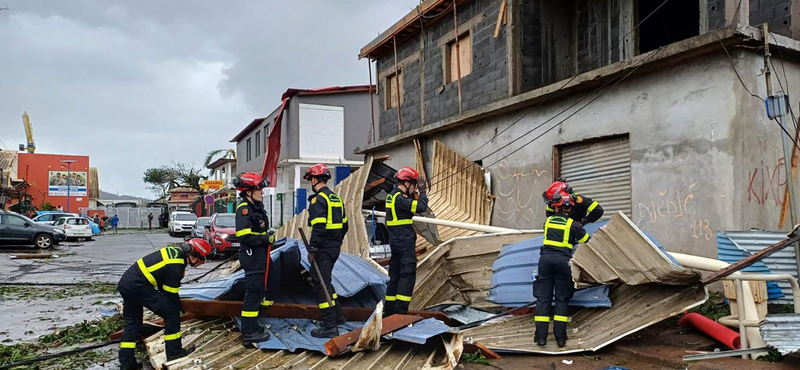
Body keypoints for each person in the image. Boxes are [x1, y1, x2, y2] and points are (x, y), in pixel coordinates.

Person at [117, 238, 210, 370]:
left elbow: (162, 285)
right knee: (172, 314)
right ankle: (174, 353)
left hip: (127, 284)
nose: (203, 262)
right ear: (193, 255)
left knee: (132, 324)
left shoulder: (174, 253)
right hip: (139, 286)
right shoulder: (177, 264)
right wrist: (179, 307)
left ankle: (127, 363)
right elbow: (170, 292)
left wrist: (174, 303)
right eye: (202, 259)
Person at [534, 191, 590, 348]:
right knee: (561, 299)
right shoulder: (572, 224)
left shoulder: (548, 222)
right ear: (570, 210)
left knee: (543, 299)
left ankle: (541, 338)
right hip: (563, 262)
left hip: (545, 261)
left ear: (556, 208)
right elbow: (586, 240)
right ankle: (560, 339)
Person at [303, 164, 349, 337]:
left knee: (320, 284)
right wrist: (336, 241)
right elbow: (345, 225)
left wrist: (313, 249)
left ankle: (329, 326)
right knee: (326, 282)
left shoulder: (318, 200)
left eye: (310, 180)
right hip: (334, 247)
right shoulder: (335, 198)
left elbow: (319, 226)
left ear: (314, 180)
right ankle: (338, 316)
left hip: (322, 249)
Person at [232, 172, 275, 347]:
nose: (262, 192)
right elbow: (244, 236)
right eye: (259, 189)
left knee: (263, 287)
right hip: (252, 255)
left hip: (259, 254)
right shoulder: (244, 210)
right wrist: (266, 239)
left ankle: (253, 323)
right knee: (254, 291)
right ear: (248, 191)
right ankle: (249, 332)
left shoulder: (255, 207)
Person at [383, 167, 428, 316]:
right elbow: (421, 207)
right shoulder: (400, 198)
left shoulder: (392, 196)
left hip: (395, 242)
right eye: (414, 184)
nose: (415, 187)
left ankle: (388, 312)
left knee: (395, 276)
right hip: (404, 242)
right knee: (407, 276)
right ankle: (400, 314)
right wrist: (422, 192)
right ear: (408, 183)